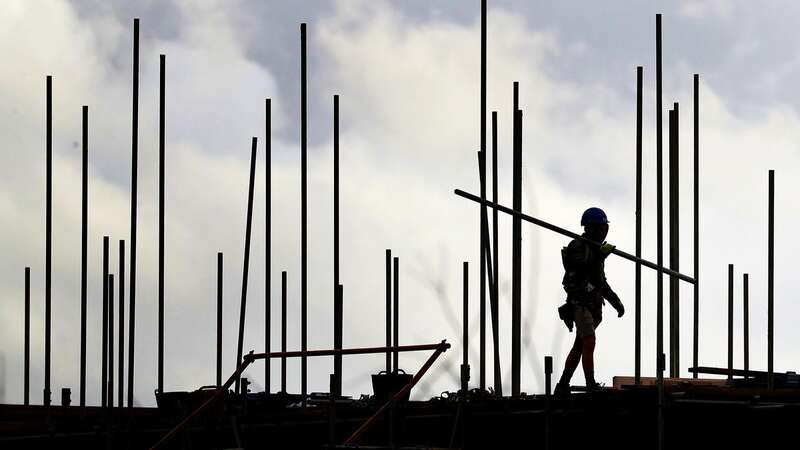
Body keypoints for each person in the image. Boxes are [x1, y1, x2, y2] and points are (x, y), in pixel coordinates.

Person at [555, 207, 624, 395]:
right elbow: (580, 271)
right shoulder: (578, 246)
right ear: (591, 228)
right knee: (589, 340)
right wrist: (600, 256)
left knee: (581, 344)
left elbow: (599, 281)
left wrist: (615, 302)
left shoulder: (595, 249)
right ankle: (590, 383)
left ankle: (562, 384)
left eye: (606, 229)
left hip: (592, 303)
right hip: (580, 302)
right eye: (602, 228)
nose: (604, 232)